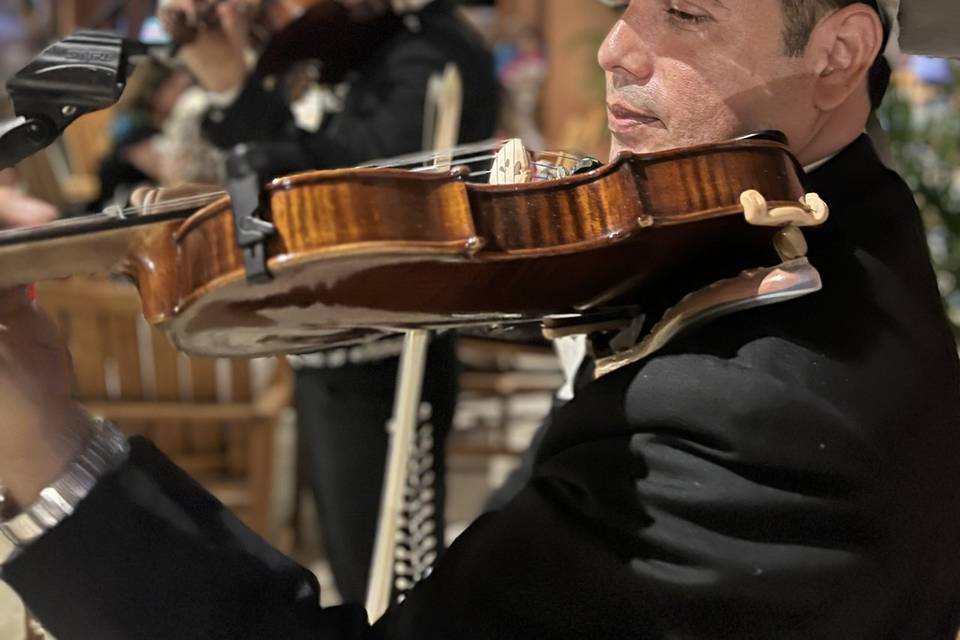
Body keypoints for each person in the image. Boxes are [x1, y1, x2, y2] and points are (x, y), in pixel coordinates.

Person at [1, 0, 960, 638]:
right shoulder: (837, 220)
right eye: (626, 1)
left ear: (839, 53)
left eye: (685, 12)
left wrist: (52, 454)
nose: (614, 49)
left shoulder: (751, 426)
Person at [157, 0, 498, 603]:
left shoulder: (428, 53)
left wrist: (236, 85)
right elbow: (278, 160)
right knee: (353, 561)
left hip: (388, 354)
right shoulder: (359, 43)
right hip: (327, 340)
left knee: (392, 581)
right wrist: (232, 82)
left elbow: (339, 191)